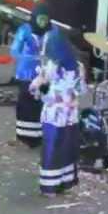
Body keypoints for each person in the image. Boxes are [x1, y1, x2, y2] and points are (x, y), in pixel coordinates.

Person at [29, 31, 86, 197]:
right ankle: (60, 183)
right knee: (63, 149)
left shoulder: (52, 66)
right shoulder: (76, 66)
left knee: (55, 150)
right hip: (67, 116)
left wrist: (42, 89)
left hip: (56, 116)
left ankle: (52, 186)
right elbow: (81, 90)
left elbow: (37, 90)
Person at [11, 3, 57, 148]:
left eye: (45, 19)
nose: (43, 22)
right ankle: (24, 137)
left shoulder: (53, 30)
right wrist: (34, 58)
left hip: (46, 72)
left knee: (43, 103)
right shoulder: (24, 30)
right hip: (27, 72)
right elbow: (14, 52)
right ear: (34, 18)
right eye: (40, 19)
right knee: (26, 104)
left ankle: (40, 135)